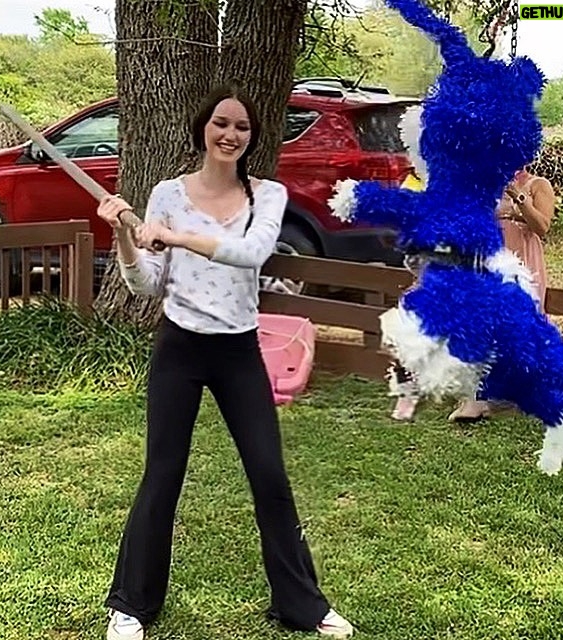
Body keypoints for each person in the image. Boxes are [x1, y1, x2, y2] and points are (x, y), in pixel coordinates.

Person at [97, 84, 353, 640]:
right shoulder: (166, 194)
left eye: (241, 127)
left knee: (269, 475)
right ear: (203, 129)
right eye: (221, 123)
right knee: (162, 475)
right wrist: (126, 237)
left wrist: (175, 235)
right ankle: (131, 606)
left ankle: (302, 606)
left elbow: (252, 253)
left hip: (238, 350)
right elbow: (145, 286)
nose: (230, 134)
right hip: (179, 348)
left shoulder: (269, 197)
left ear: (252, 138)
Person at [447, 166, 556, 422]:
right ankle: (475, 400)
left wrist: (518, 197)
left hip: (523, 265)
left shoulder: (538, 185)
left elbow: (542, 226)